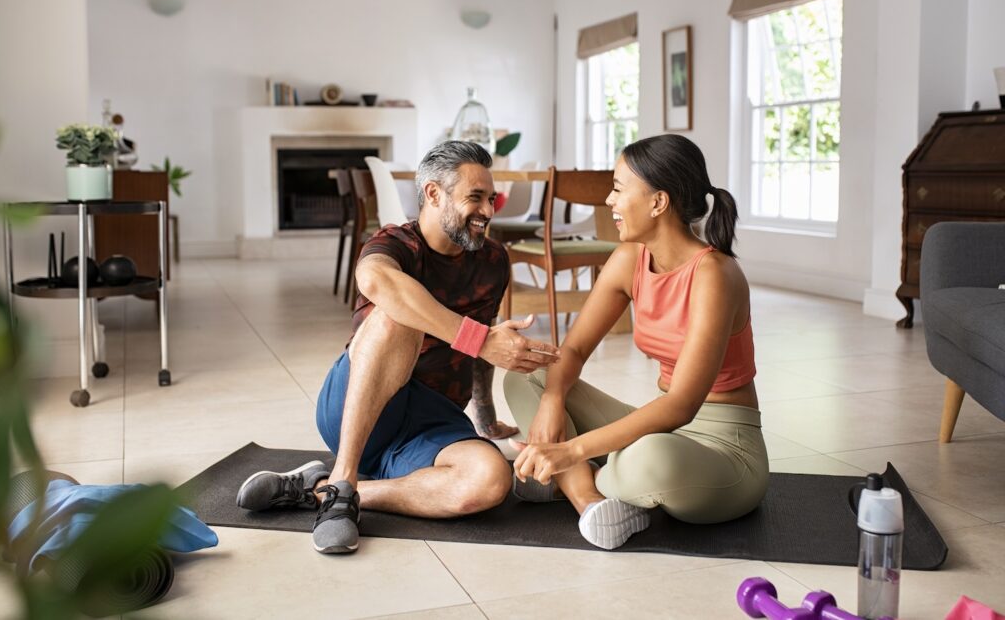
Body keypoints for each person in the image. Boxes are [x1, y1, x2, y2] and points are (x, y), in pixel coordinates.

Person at [236, 141, 560, 554]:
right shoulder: (395, 244)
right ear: (432, 194)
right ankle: (346, 474)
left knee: (491, 479)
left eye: (490, 198)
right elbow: (376, 283)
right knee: (397, 314)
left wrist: (486, 415)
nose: (488, 211)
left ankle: (327, 490)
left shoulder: (493, 260)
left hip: (430, 424)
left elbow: (488, 340)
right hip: (359, 403)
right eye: (474, 198)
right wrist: (477, 341)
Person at [505, 134, 767, 550]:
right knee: (529, 375)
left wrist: (571, 450)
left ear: (658, 202)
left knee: (648, 459)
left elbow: (682, 404)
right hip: (660, 426)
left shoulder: (715, 275)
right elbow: (571, 350)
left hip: (725, 450)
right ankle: (590, 502)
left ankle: (563, 476)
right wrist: (554, 401)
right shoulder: (630, 259)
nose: (609, 201)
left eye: (617, 188)